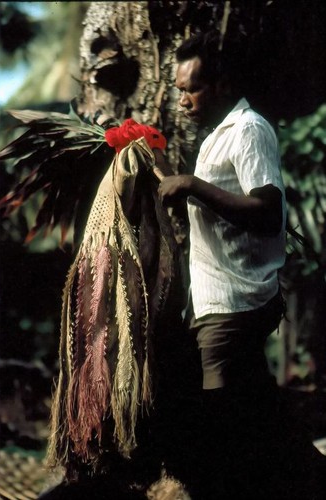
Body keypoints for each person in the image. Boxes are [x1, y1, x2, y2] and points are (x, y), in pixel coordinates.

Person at [155, 31, 325, 500]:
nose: (183, 98)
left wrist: (192, 185)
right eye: (179, 88)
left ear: (223, 83)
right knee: (260, 417)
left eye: (191, 87)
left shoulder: (249, 129)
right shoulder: (216, 139)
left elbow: (267, 211)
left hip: (234, 308)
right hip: (215, 305)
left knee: (221, 427)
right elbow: (225, 212)